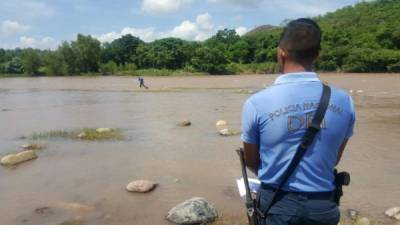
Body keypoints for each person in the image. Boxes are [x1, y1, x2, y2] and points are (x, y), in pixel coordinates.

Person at [241, 18, 356, 225]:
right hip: (323, 206)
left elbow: (251, 162)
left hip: (277, 205)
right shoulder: (344, 101)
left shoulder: (256, 103)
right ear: (317, 54)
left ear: (281, 52)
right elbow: (334, 159)